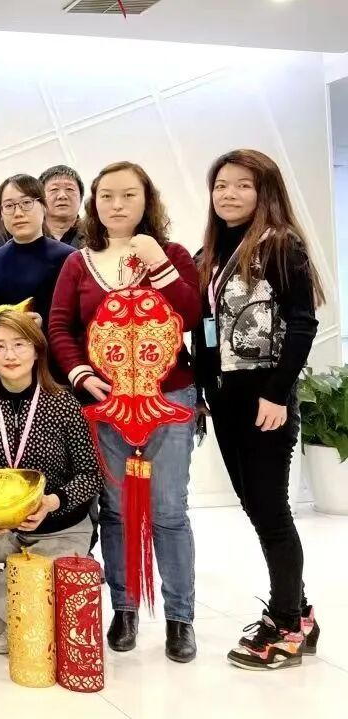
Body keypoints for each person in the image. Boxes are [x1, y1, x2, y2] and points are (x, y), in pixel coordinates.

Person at [49, 160, 201, 663]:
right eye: (107, 196)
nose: (117, 205)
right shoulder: (79, 262)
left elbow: (192, 313)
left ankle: (180, 618)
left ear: (147, 200)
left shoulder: (173, 254)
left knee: (168, 511)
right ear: (94, 202)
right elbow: (60, 326)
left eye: (129, 195)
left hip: (170, 398)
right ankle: (125, 609)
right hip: (104, 404)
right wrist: (81, 374)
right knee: (116, 511)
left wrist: (158, 262)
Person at [193, 149, 323, 670]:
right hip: (225, 398)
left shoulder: (280, 244)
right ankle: (299, 612)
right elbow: (205, 327)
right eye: (221, 185)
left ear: (264, 190)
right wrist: (203, 387)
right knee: (256, 507)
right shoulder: (213, 249)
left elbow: (302, 323)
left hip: (264, 397)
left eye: (242, 185)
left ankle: (286, 626)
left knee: (271, 512)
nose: (228, 194)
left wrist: (277, 393)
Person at [0, 310, 102, 654]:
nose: (10, 355)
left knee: (22, 586)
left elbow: (90, 475)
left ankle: (16, 612)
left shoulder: (62, 402)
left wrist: (52, 502)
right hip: (0, 526)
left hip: (59, 527)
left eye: (19, 344)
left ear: (36, 349)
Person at [0, 174, 76, 325]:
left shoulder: (69, 258)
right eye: (9, 206)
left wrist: (42, 326)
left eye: (26, 202)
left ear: (44, 206)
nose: (18, 213)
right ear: (1, 214)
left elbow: (79, 317)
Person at [39, 165, 85, 248]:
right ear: (40, 198)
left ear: (80, 197)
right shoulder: (28, 236)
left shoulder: (97, 236)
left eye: (70, 189)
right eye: (54, 189)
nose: (62, 196)